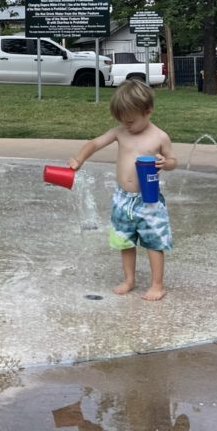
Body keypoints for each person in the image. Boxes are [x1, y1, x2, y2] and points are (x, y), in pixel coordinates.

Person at [68, 80, 177, 301]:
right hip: (122, 198)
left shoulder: (159, 137)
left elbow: (173, 161)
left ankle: (157, 285)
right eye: (122, 121)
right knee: (124, 240)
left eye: (130, 121)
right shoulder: (120, 132)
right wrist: (79, 159)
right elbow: (95, 144)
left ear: (148, 111)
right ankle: (129, 279)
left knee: (154, 241)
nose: (126, 125)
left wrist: (165, 163)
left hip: (148, 200)